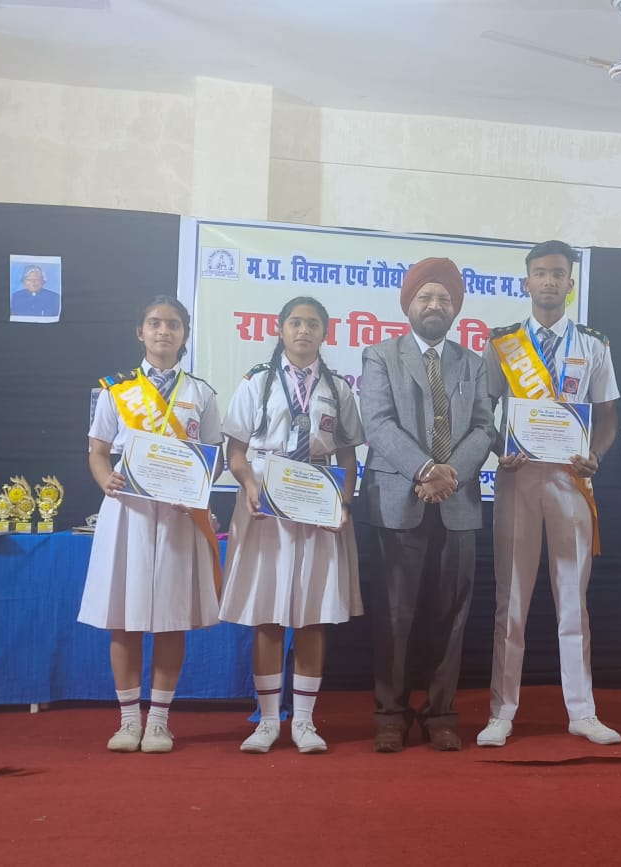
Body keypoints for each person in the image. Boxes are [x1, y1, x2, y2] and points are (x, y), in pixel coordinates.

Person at [477, 239, 621, 748]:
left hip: (570, 481)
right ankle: (501, 712)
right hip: (517, 479)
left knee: (572, 602)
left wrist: (595, 455)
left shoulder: (593, 345)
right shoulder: (503, 344)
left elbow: (607, 417)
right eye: (540, 272)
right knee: (511, 601)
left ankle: (582, 712)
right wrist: (499, 449)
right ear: (526, 282)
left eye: (558, 273)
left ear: (570, 283)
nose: (549, 281)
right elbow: (484, 413)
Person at [219, 296, 364, 755]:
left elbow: (348, 455)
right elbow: (235, 450)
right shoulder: (257, 382)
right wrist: (248, 484)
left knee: (312, 616)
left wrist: (344, 502)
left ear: (325, 333)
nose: (304, 331)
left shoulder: (338, 388)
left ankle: (303, 722)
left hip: (318, 505)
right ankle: (267, 721)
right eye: (296, 323)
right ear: (280, 329)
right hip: (265, 506)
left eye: (313, 324)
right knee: (268, 614)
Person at [78, 295, 223, 754]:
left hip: (179, 516)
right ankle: (128, 721)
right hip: (128, 513)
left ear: (185, 335)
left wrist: (196, 487)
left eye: (173, 324)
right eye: (155, 323)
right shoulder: (116, 390)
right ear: (140, 332)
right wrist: (105, 480)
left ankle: (158, 721)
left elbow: (214, 459)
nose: (164, 331)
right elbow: (98, 451)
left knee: (170, 619)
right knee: (124, 618)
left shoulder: (202, 393)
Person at [360, 258, 494, 752]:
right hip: (399, 499)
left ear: (455, 308)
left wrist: (448, 473)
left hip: (457, 503)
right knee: (394, 615)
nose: (435, 305)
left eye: (444, 299)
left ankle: (441, 713)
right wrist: (424, 470)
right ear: (408, 305)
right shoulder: (380, 355)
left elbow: (484, 428)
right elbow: (378, 423)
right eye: (425, 297)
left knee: (451, 616)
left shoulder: (473, 363)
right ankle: (390, 715)